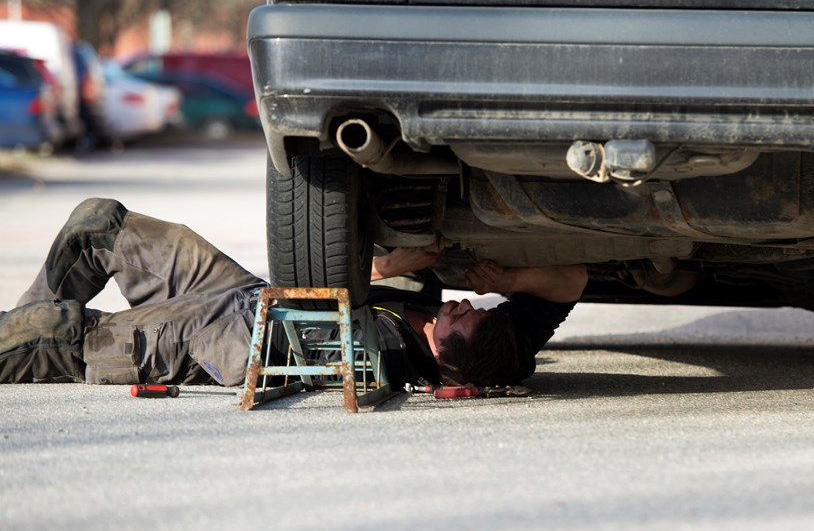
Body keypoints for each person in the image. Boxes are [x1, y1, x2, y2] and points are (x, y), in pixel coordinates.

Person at [0, 198, 587, 388]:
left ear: (442, 357)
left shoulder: (385, 358)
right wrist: (509, 284)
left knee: (58, 333)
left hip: (229, 341)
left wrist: (384, 267)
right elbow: (573, 280)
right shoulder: (504, 346)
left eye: (460, 320)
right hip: (242, 292)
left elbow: (313, 303)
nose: (460, 304)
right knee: (97, 225)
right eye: (472, 307)